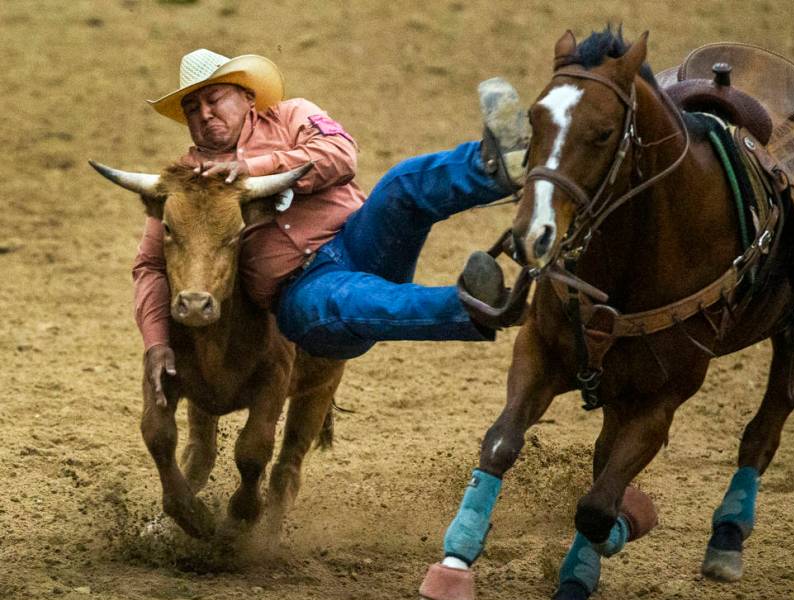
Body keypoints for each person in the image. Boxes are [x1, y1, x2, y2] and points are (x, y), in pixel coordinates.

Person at [134, 48, 528, 402]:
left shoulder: (294, 114)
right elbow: (151, 265)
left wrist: (251, 168)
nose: (204, 113)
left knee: (399, 184)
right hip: (298, 289)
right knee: (351, 299)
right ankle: (478, 306)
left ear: (247, 97)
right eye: (192, 109)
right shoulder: (185, 181)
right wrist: (156, 342)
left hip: (359, 238)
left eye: (213, 99)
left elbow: (340, 155)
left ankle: (498, 167)